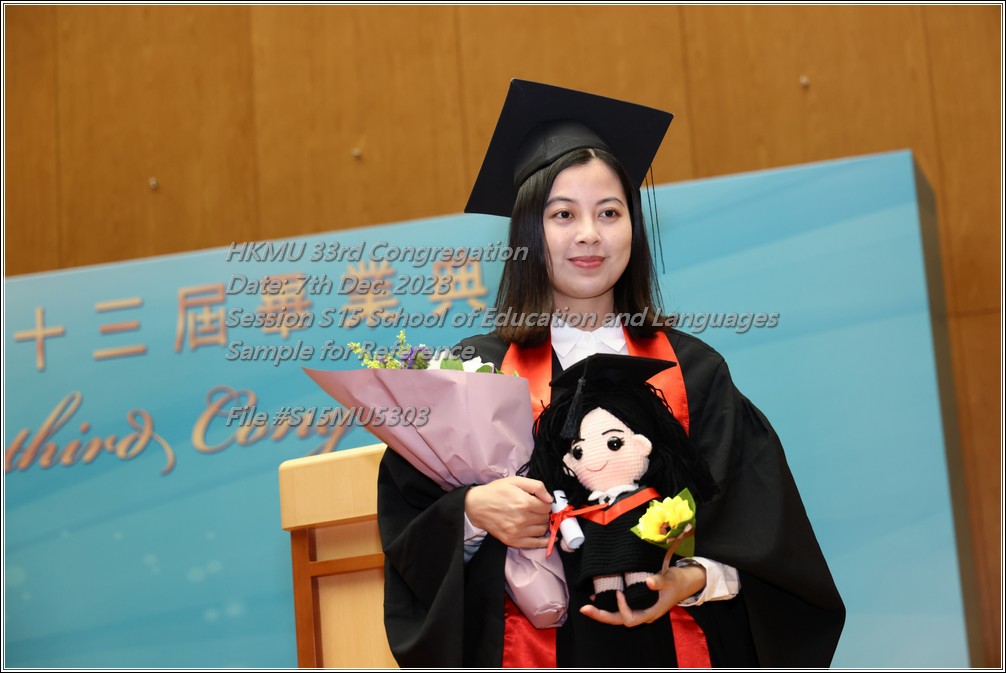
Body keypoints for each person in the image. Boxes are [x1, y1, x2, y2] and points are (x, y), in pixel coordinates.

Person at [376, 79, 845, 668]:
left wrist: (694, 577)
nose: (589, 235)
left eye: (609, 212)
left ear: (633, 228)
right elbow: (411, 531)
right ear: (527, 232)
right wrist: (472, 512)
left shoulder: (693, 370)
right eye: (562, 214)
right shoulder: (476, 373)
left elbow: (767, 533)